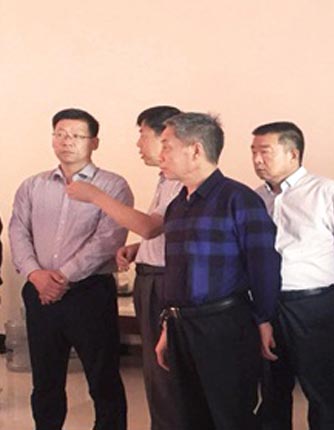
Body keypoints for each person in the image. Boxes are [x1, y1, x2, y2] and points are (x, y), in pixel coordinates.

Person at [154, 112, 281, 430]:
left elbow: (263, 265)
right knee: (188, 416)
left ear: (195, 150)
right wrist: (168, 326)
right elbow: (176, 271)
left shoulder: (239, 199)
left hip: (223, 326)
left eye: (167, 146)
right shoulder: (176, 206)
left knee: (229, 416)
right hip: (180, 325)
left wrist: (264, 318)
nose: (160, 155)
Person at [9, 108, 133, 430]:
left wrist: (61, 278)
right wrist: (35, 274)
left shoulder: (113, 186)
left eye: (77, 135)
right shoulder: (32, 186)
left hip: (89, 292)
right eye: (60, 134)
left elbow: (108, 239)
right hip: (39, 290)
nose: (67, 141)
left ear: (94, 142)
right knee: (45, 378)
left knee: (102, 377)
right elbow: (18, 231)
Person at [66, 106, 184, 429]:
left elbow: (150, 226)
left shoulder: (179, 181)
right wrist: (139, 249)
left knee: (165, 373)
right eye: (60, 134)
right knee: (156, 375)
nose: (138, 144)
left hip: (164, 282)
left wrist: (96, 196)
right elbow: (163, 232)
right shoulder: (165, 180)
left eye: (143, 135)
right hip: (150, 277)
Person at [251, 121, 334, 430]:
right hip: (267, 303)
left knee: (320, 386)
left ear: (293, 153)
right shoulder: (255, 198)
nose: (257, 160)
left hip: (313, 304)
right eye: (253, 152)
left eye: (265, 152)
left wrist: (332, 282)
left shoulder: (326, 191)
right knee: (272, 386)